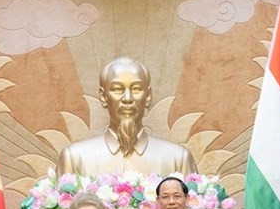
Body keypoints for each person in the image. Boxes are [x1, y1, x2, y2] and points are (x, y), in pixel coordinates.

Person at [56, 57, 197, 177]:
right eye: (117, 89)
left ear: (147, 96)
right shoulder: (74, 158)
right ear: (103, 97)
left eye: (136, 89)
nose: (128, 98)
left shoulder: (178, 159)